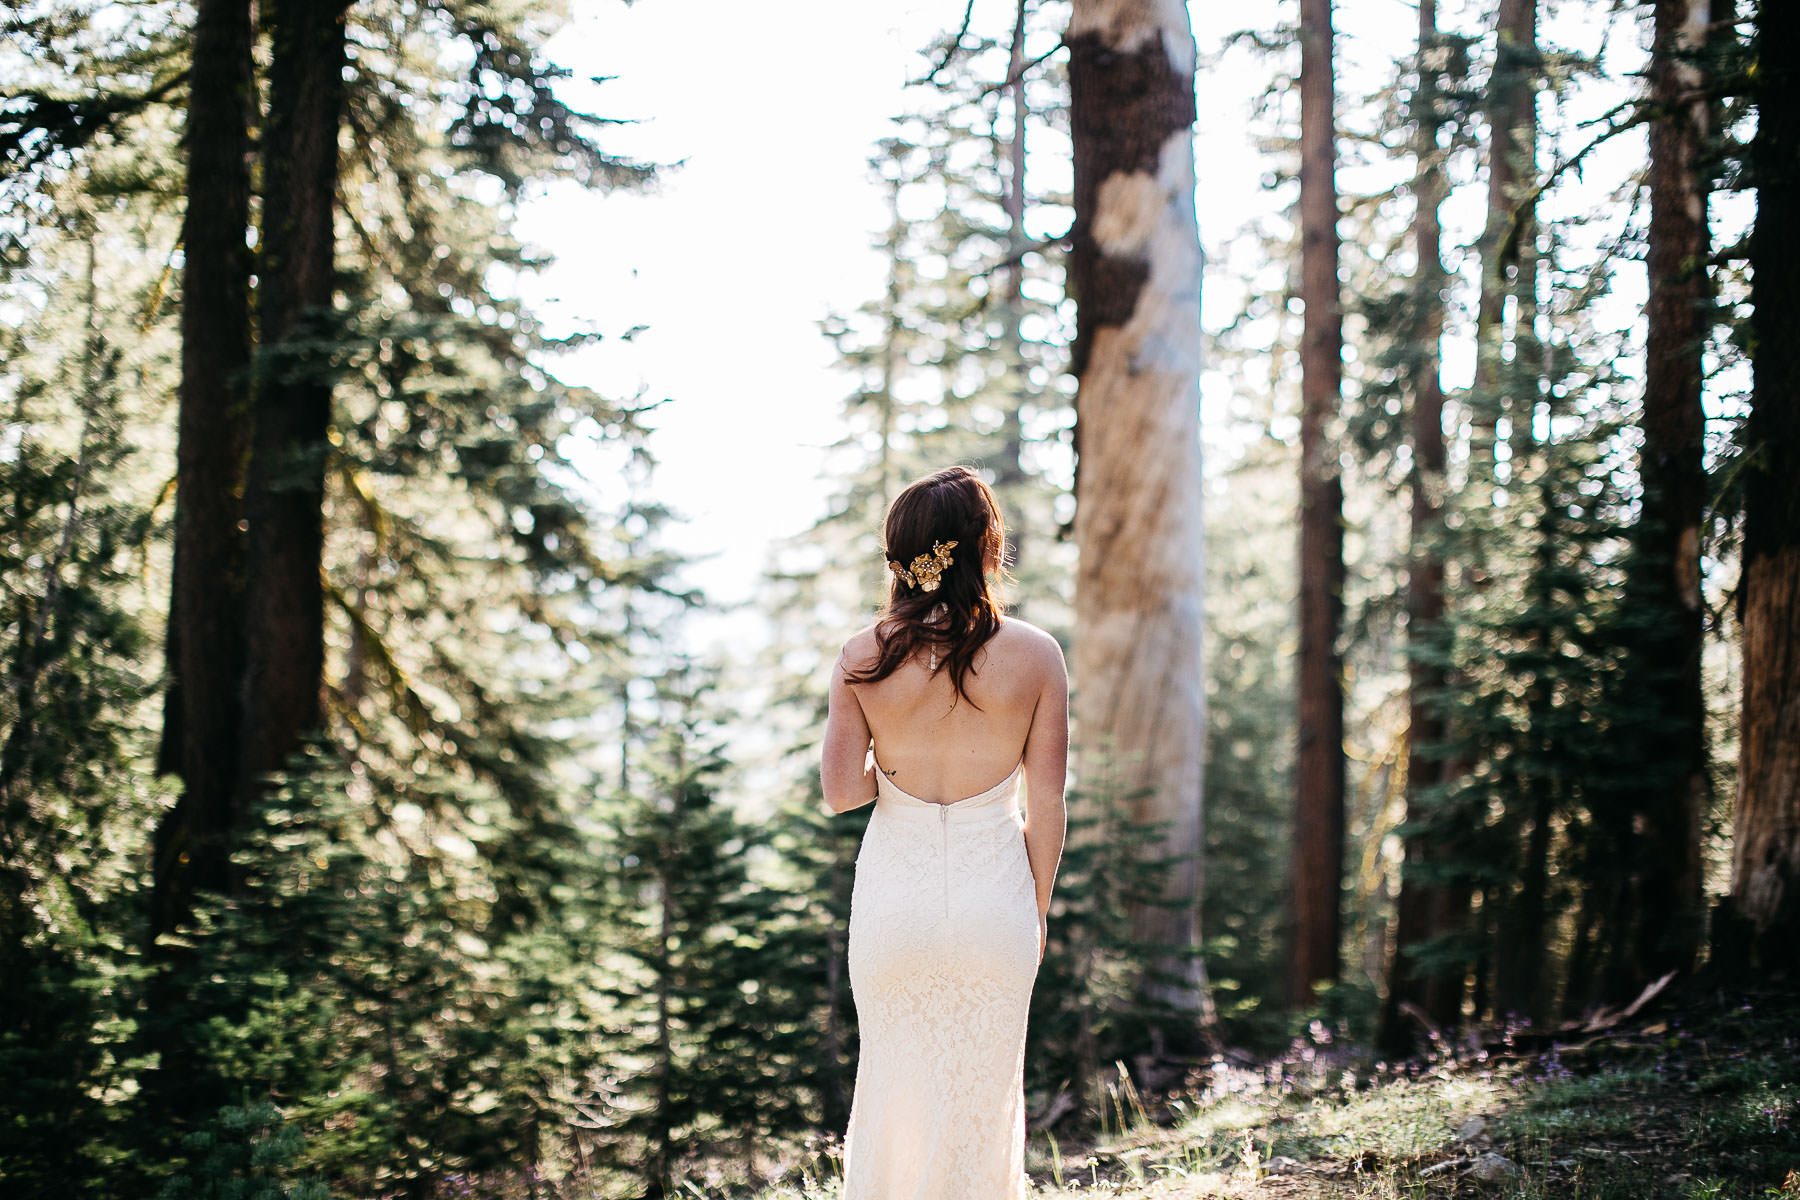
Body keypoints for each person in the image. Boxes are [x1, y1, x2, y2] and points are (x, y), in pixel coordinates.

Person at [820, 464, 1069, 1198]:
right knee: (982, 1105)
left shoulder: (863, 654)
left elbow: (840, 793)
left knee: (895, 1095)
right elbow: (1046, 804)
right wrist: (1037, 909)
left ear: (901, 555)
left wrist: (894, 773)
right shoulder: (1035, 654)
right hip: (997, 903)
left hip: (895, 903)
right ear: (986, 547)